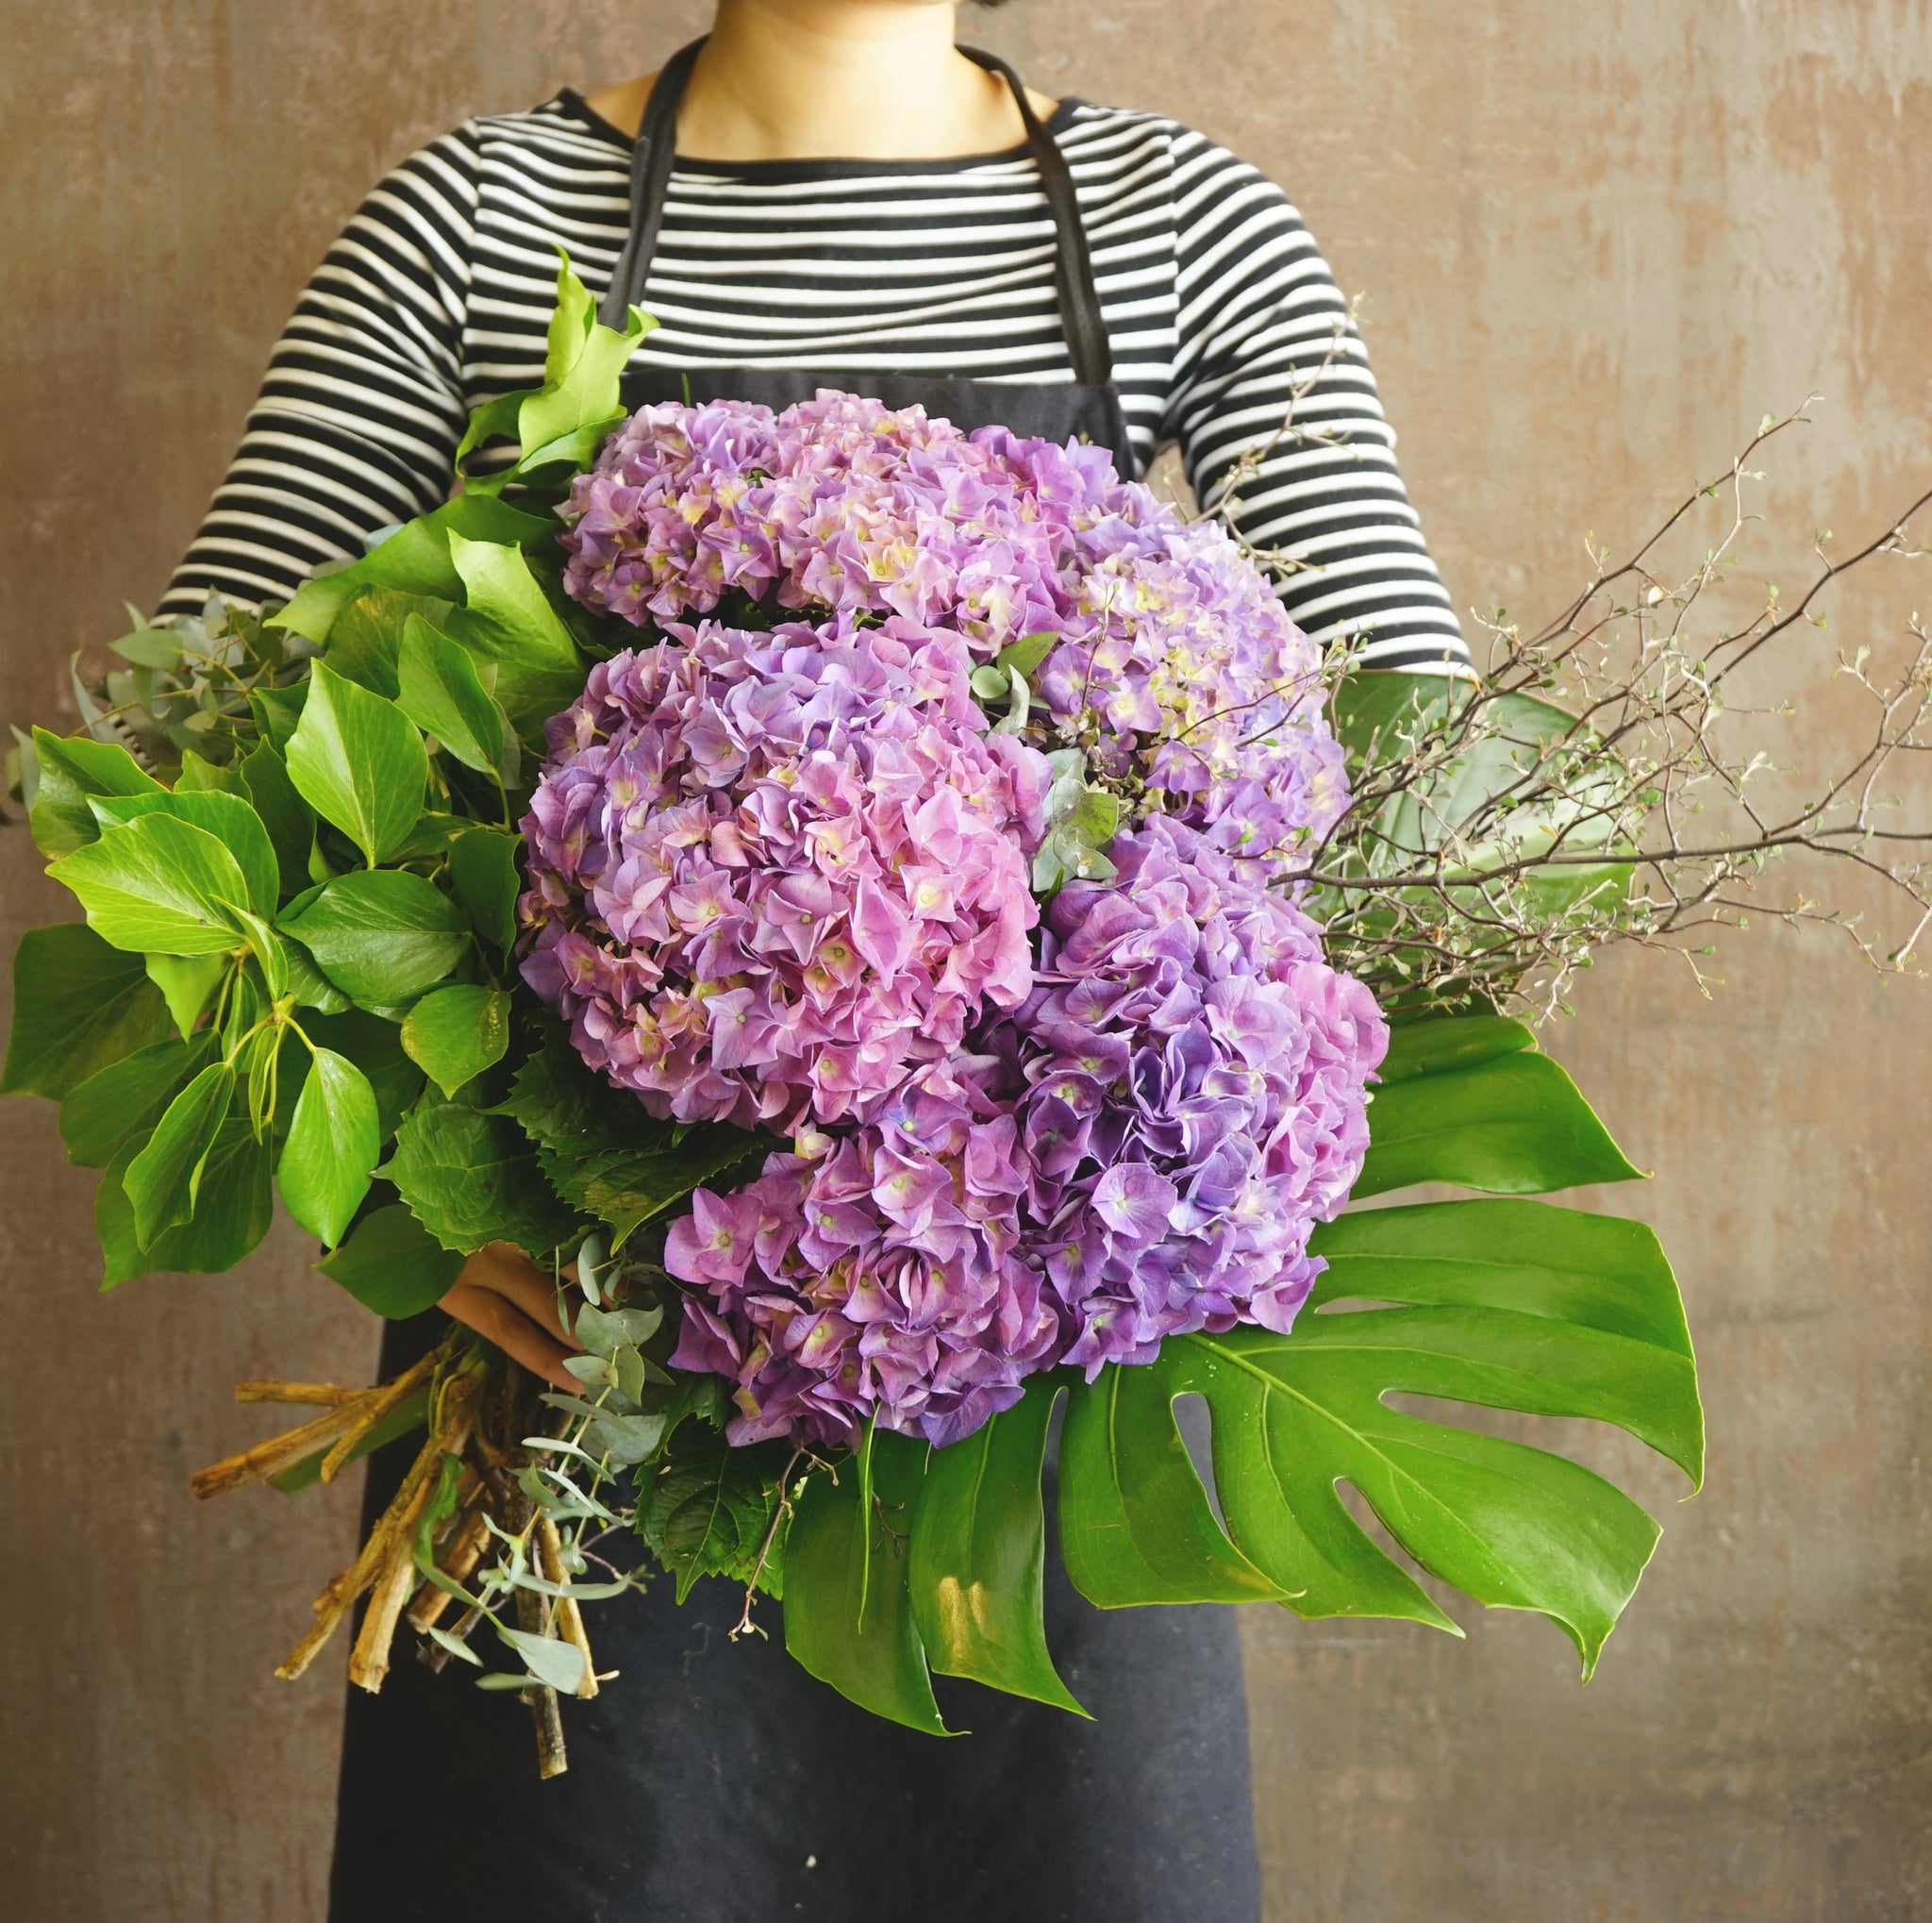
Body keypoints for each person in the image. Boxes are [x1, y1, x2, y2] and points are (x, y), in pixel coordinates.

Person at [163, 3, 1469, 1916]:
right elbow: (189, 766)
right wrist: (412, 1205)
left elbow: (1431, 779)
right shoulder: (478, 216)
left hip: (1032, 1443)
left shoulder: (1173, 221)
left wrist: (1182, 1110)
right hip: (577, 1412)